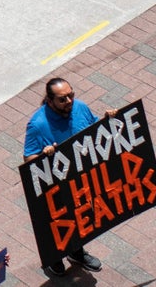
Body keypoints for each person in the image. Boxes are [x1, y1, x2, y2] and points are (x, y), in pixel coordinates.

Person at [23, 77, 113, 277]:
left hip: (81, 181)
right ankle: (53, 260)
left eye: (71, 95)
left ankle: (76, 253)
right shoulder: (37, 124)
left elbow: (95, 129)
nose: (69, 101)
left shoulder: (81, 107)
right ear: (50, 100)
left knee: (81, 218)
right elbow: (28, 158)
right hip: (55, 187)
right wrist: (42, 156)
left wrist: (108, 122)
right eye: (62, 99)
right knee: (58, 224)